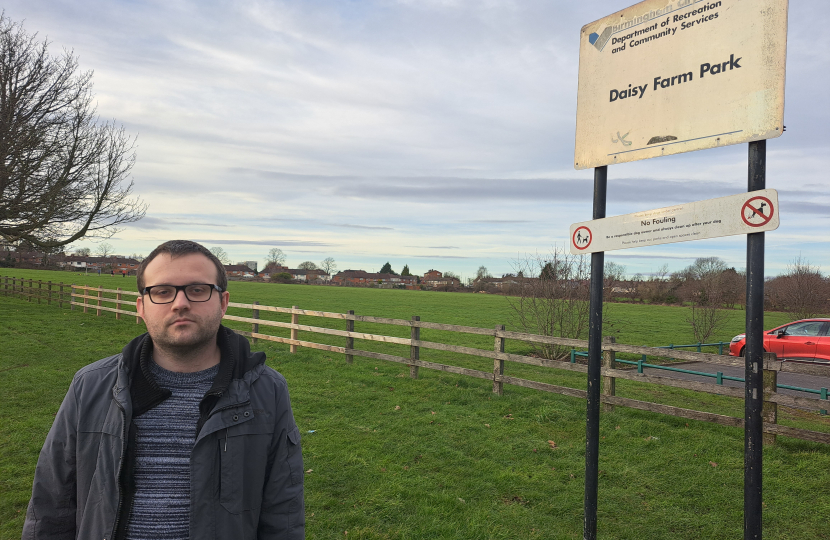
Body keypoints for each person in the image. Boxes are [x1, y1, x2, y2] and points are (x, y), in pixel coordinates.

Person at [23, 240, 304, 539]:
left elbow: (282, 512)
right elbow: (52, 503)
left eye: (197, 290)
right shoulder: (90, 385)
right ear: (141, 307)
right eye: (162, 292)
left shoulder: (267, 390)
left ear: (222, 302)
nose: (180, 303)